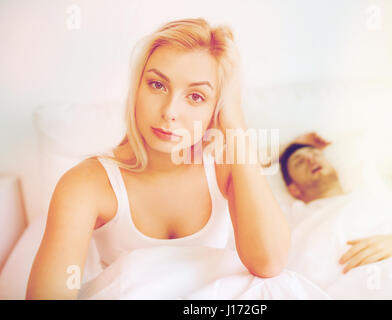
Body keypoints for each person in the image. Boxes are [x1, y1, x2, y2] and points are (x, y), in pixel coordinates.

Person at [26, 18, 291, 299]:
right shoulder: (86, 185)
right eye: (157, 85)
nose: (169, 111)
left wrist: (235, 123)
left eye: (196, 97)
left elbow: (269, 262)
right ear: (137, 88)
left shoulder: (224, 166)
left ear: (216, 108)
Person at [279, 132, 392, 274]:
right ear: (293, 190)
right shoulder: (293, 215)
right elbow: (253, 172)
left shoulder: (376, 199)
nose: (312, 160)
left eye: (316, 154)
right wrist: (286, 147)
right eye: (299, 161)